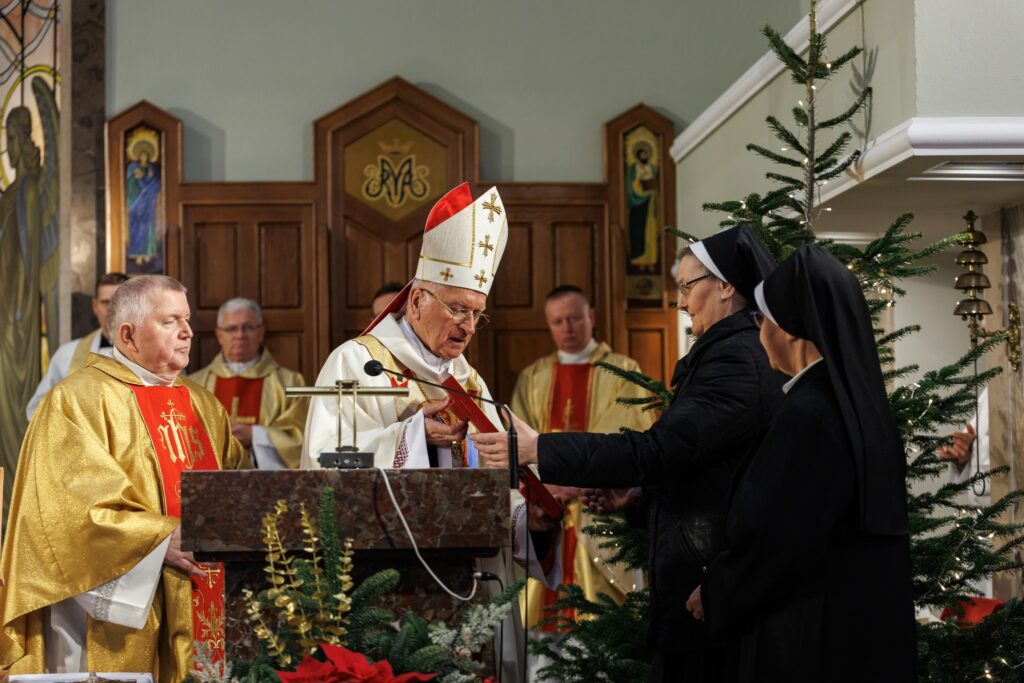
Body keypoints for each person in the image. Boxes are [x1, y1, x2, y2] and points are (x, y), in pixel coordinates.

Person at [475, 223, 785, 682]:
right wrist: (637, 498)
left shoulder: (733, 357)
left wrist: (539, 446)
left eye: (686, 287)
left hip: (708, 568)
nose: (679, 302)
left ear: (725, 286)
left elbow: (661, 447)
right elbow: (695, 461)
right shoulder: (723, 352)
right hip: (689, 560)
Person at [303, 183, 564, 682]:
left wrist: (527, 521)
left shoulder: (468, 379)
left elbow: (487, 484)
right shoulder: (357, 362)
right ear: (418, 298)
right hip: (394, 588)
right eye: (457, 309)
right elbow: (326, 466)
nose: (467, 326)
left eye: (476, 314)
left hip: (474, 582)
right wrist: (412, 438)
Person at [0, 275, 247, 680]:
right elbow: (63, 510)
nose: (188, 332)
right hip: (119, 597)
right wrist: (160, 539)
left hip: (203, 587)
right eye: (170, 322)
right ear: (128, 335)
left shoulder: (202, 403)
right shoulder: (76, 400)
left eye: (186, 319)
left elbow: (236, 483)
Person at [688, 245, 916, 681]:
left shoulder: (809, 415)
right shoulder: (855, 405)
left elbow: (780, 536)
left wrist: (717, 592)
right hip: (864, 631)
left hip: (811, 635)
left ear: (791, 330)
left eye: (762, 321)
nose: (759, 335)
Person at [510, 285, 655, 631]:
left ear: (591, 317)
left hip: (600, 507)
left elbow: (630, 439)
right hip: (548, 506)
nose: (567, 328)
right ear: (549, 325)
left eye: (574, 318)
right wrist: (548, 485)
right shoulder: (533, 377)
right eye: (558, 321)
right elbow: (516, 441)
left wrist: (577, 479)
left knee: (603, 625)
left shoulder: (623, 372)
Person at [190, 298, 308, 469]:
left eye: (248, 327)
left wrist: (255, 435)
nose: (240, 335)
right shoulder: (195, 385)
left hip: (269, 486)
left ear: (261, 332)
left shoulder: (291, 383)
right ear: (219, 335)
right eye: (231, 329)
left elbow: (300, 441)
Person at [26, 272, 130, 419]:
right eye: (106, 302)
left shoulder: (155, 356)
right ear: (95, 306)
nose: (112, 310)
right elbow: (38, 409)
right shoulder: (67, 355)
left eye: (119, 302)